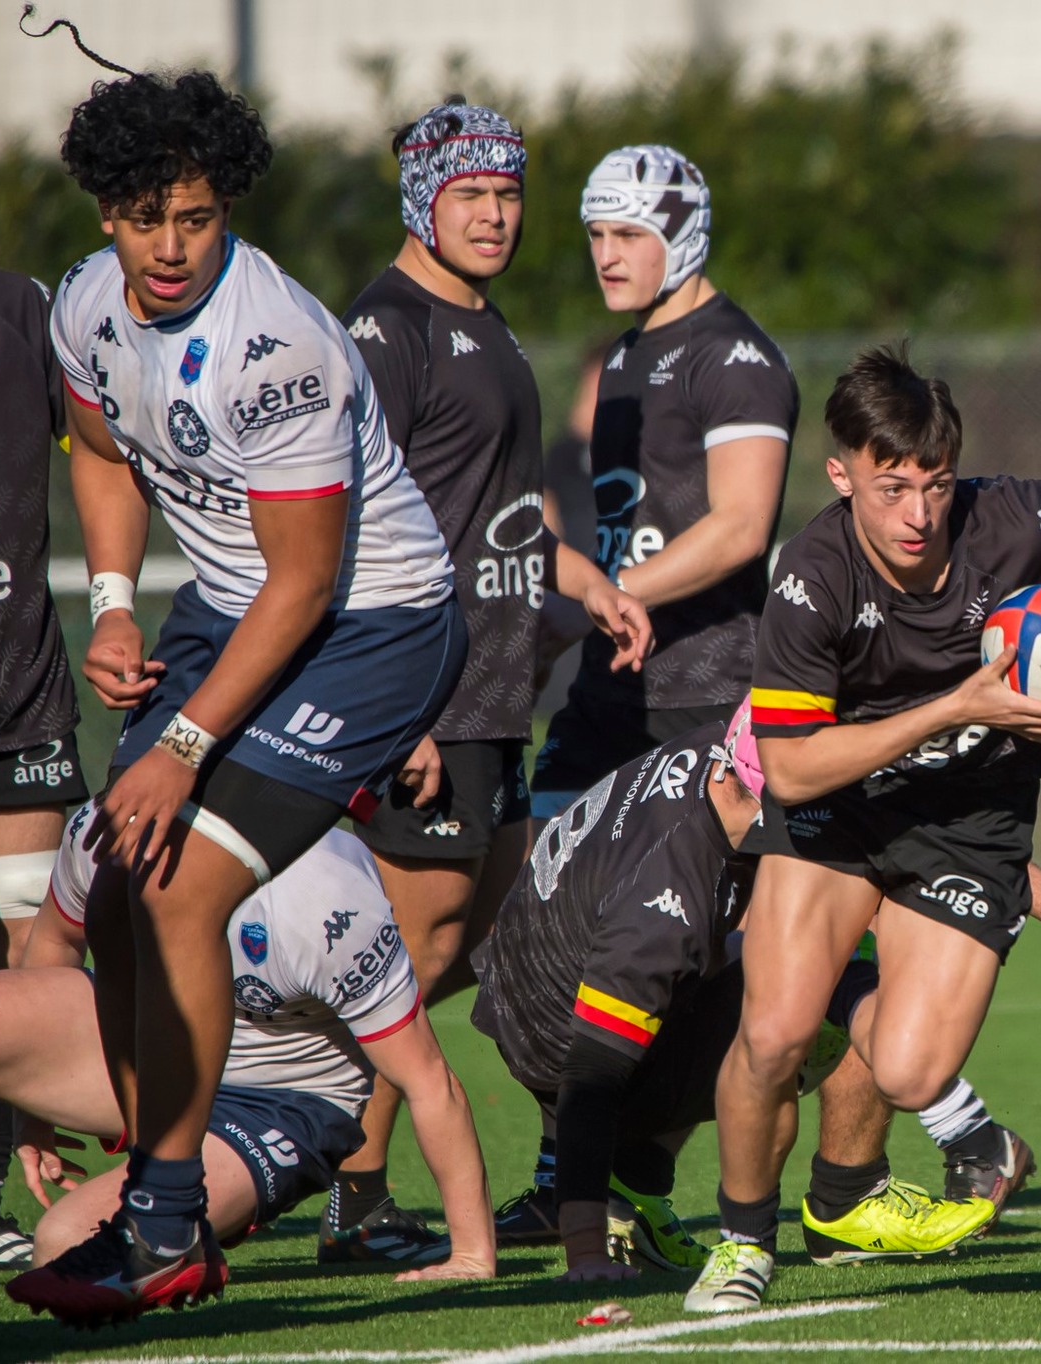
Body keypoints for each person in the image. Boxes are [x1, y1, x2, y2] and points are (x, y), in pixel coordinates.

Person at [9, 68, 464, 1323]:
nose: (169, 246)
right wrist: (110, 602)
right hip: (230, 602)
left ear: (227, 212)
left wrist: (185, 741)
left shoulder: (276, 344)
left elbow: (310, 581)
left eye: (196, 218)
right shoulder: (91, 304)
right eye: (145, 215)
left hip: (371, 626)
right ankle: (152, 1168)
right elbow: (101, 451)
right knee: (118, 875)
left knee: (181, 876)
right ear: (105, 213)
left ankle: (159, 1223)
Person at [696, 344, 1041, 1312]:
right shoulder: (809, 576)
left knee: (910, 1070)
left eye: (934, 483)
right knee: (774, 1032)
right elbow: (786, 765)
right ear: (842, 474)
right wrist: (955, 705)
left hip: (970, 818)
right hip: (838, 806)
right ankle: (741, 1241)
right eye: (890, 484)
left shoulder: (1010, 516)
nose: (916, 511)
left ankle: (938, 1131)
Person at [475, 703, 1041, 1279]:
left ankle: (640, 1187)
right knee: (826, 958)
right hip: (564, 1045)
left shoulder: (731, 754)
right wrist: (585, 1250)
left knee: (808, 930)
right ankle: (850, 1194)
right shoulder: (666, 905)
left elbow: (910, 835)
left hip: (540, 987)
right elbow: (589, 1076)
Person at [329, 100, 649, 1265]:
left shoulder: (486, 319)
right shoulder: (385, 327)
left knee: (498, 943)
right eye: (471, 195)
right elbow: (352, 528)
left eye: (509, 195)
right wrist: (394, 707)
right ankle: (344, 1193)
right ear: (421, 197)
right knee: (402, 958)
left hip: (498, 689)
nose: (496, 215)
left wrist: (587, 580)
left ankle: (535, 1176)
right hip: (432, 692)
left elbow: (499, 514)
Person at [0, 808, 493, 1298]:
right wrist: (32, 1115)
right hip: (151, 1042)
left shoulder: (326, 902)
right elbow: (56, 941)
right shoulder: (110, 825)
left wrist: (472, 1254)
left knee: (67, 1246)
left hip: (277, 1096)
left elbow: (428, 1080)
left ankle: (190, 1221)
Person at [530, 145, 797, 823]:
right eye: (596, 236)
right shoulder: (622, 357)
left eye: (628, 235)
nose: (606, 257)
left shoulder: (736, 359)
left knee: (720, 926)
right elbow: (621, 532)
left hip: (708, 695)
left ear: (681, 238)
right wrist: (570, 620)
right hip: (609, 688)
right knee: (533, 884)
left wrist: (606, 597)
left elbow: (740, 527)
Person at [0, 265, 91, 1266]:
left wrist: (112, 596)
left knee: (41, 944)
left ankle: (153, 1176)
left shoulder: (24, 306)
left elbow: (103, 447)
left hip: (17, 702)